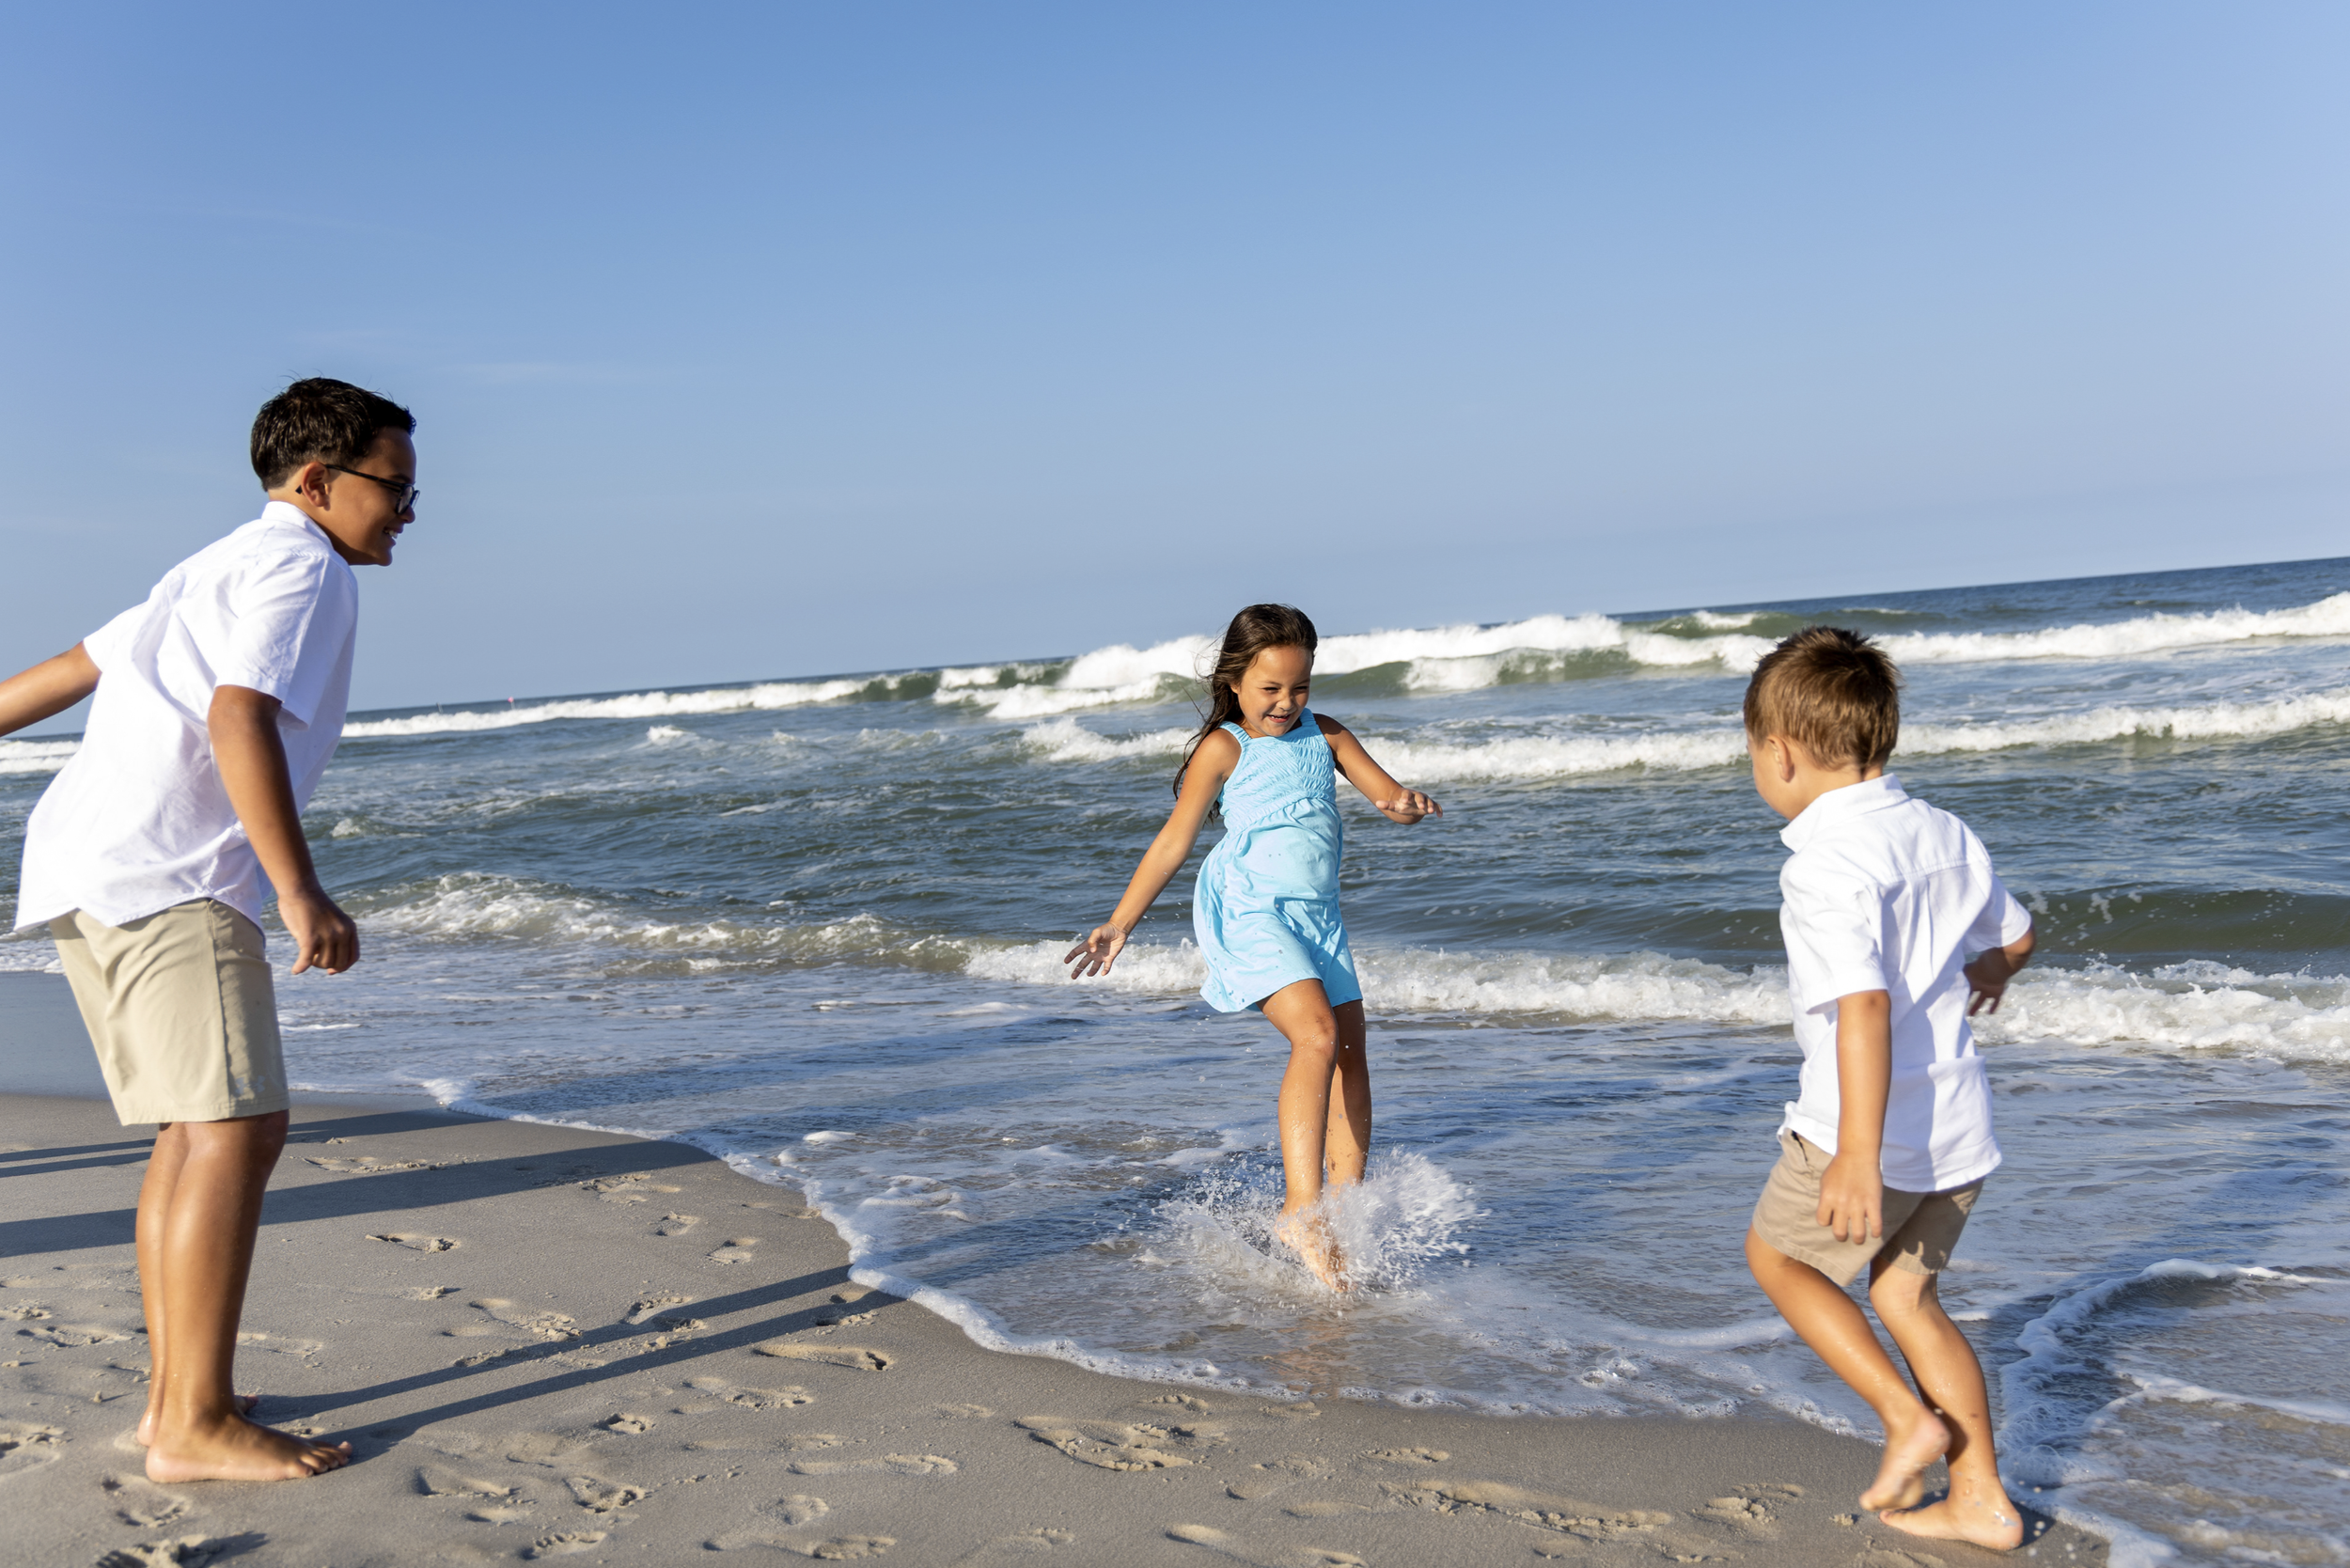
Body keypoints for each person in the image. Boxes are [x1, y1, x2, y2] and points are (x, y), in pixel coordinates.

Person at [0, 377, 417, 1482]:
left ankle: (179, 1402)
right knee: (235, 1129)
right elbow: (240, 714)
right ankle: (190, 1421)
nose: (409, 511)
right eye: (395, 487)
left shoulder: (212, 563)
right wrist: (298, 889)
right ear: (320, 481)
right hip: (168, 874)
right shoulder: (299, 565)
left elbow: (70, 671)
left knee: (198, 1130)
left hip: (90, 867)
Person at [1739, 626, 2035, 1550]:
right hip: (1957, 1128)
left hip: (1862, 1128)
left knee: (1777, 1262)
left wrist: (1856, 1157)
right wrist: (1991, 972)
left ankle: (1904, 1420)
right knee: (1907, 1301)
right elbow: (2018, 933)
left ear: (1778, 752)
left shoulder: (1822, 865)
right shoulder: (1944, 832)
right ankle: (1981, 1498)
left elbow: (1861, 1009)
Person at [1063, 604, 1440, 1290]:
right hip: (1249, 909)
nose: (1287, 702)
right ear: (1236, 682)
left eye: (1300, 687)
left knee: (1353, 1055)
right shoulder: (1225, 748)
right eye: (1271, 689)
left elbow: (1385, 796)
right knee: (1317, 1037)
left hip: (1318, 917)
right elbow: (1176, 839)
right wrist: (1122, 921)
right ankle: (1301, 1211)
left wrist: (1407, 805)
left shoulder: (1326, 736)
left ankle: (1343, 1216)